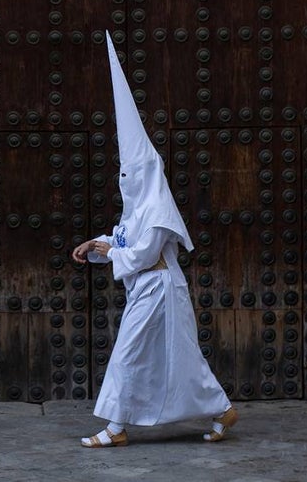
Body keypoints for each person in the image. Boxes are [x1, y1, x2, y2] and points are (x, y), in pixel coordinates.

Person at [70, 34, 237, 447]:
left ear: (145, 175)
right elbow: (123, 237)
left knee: (130, 353)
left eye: (130, 173)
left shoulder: (159, 211)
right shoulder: (138, 209)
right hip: (145, 290)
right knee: (175, 359)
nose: (125, 180)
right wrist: (95, 245)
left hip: (159, 290)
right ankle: (221, 410)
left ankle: (116, 428)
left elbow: (143, 252)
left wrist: (112, 251)